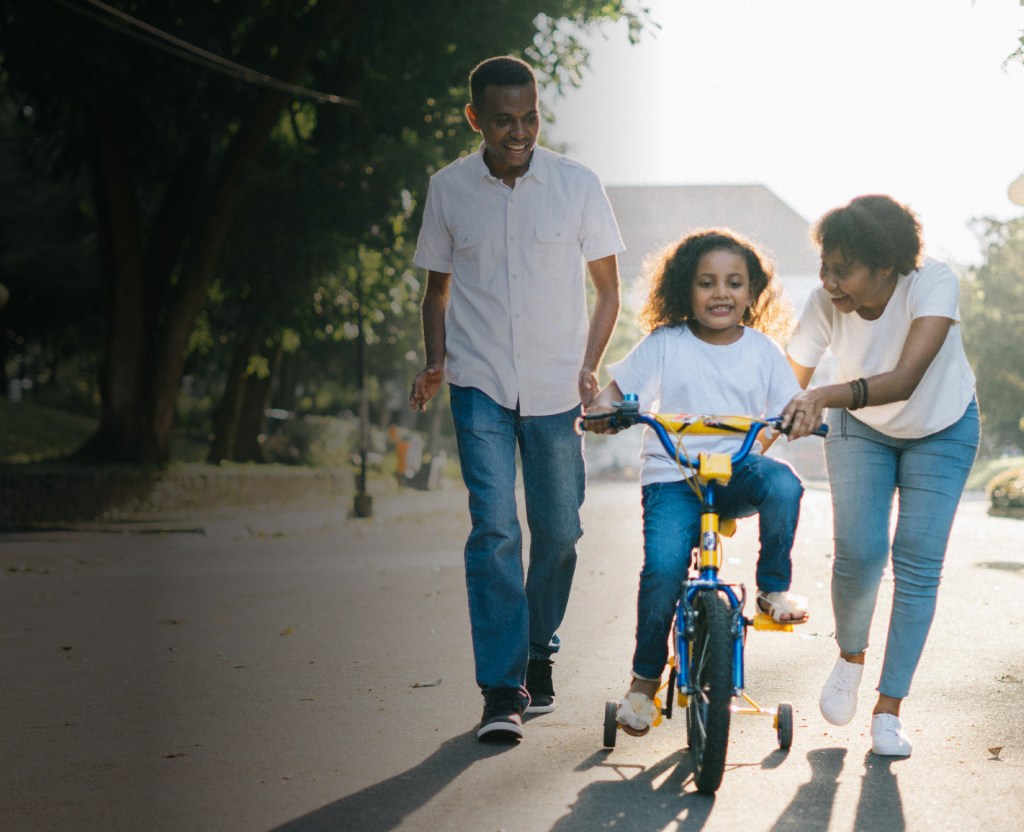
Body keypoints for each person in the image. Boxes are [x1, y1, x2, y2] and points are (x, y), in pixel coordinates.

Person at [408, 55, 624, 741]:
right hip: (478, 385)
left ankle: (538, 650)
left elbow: (609, 289)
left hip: (559, 387)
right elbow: (436, 289)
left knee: (559, 532)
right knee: (496, 529)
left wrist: (591, 366)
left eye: (529, 118)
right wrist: (436, 361)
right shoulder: (448, 190)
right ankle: (502, 690)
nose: (519, 132)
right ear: (476, 119)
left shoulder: (577, 185)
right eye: (503, 121)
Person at [584, 229, 810, 736]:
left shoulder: (764, 351)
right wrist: (603, 410)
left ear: (752, 293)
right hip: (673, 477)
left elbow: (789, 406)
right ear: (687, 289)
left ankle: (773, 589)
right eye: (707, 283)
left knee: (785, 485)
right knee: (664, 569)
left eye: (734, 283)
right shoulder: (665, 343)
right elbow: (615, 392)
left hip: (734, 473)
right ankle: (643, 684)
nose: (721, 293)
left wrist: (799, 417)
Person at [781, 194, 980, 758]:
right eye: (825, 266)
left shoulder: (932, 283)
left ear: (886, 266)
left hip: (942, 425)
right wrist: (750, 441)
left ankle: (889, 709)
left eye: (843, 270)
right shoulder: (825, 303)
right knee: (860, 553)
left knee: (917, 561)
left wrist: (821, 394)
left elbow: (907, 378)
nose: (829, 281)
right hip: (861, 429)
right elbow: (783, 384)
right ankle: (850, 657)